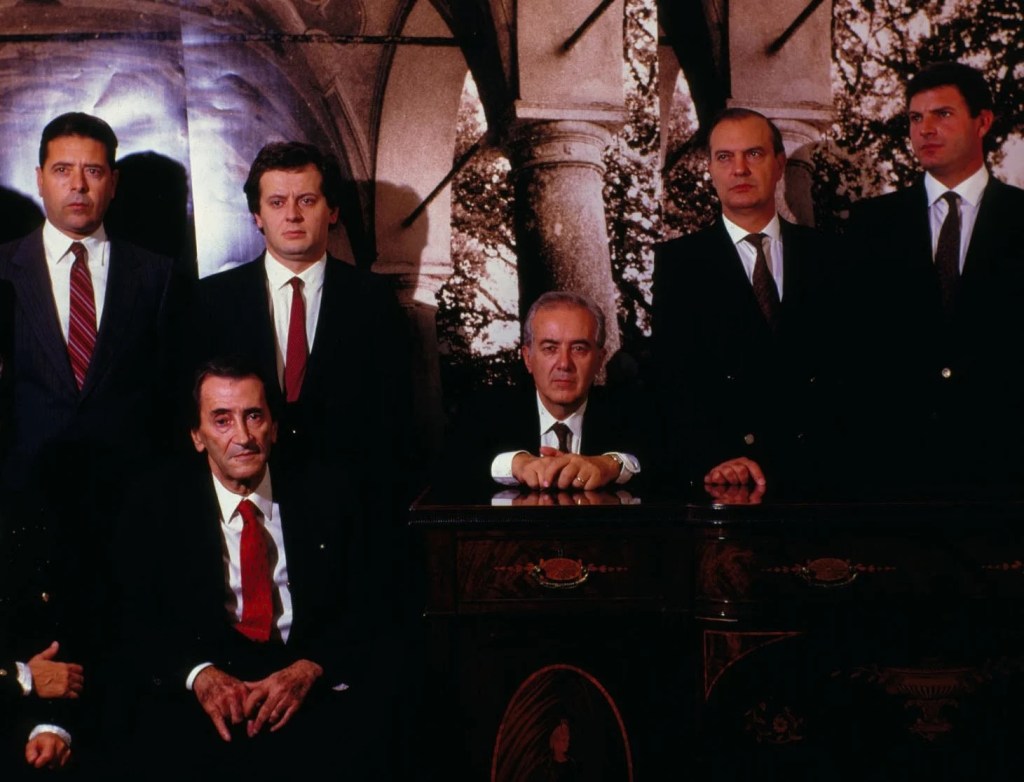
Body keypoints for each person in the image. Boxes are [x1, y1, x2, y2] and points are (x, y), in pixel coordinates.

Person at [115, 358, 388, 779]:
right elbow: (134, 623)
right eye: (222, 421)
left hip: (307, 693)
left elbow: (372, 607)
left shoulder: (330, 495)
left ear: (274, 428)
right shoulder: (156, 507)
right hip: (207, 705)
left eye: (254, 416)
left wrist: (311, 667)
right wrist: (199, 676)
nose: (242, 437)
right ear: (197, 436)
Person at [845, 62, 1024, 487]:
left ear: (983, 122)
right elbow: (852, 348)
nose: (925, 129)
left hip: (1008, 470)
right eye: (915, 118)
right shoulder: (871, 225)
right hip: (894, 472)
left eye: (942, 114)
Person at [192, 141, 411, 477]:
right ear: (257, 216)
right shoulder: (210, 300)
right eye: (277, 202)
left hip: (347, 501)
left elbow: (394, 417)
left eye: (307, 201)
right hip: (248, 496)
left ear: (332, 211)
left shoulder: (373, 299)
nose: (292, 214)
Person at [653, 108, 845, 490]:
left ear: (778, 164)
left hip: (825, 482)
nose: (739, 169)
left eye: (753, 154)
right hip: (730, 483)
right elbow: (673, 382)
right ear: (710, 169)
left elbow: (853, 370)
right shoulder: (679, 264)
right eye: (725, 157)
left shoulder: (830, 255)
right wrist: (714, 459)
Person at [0, 112, 181, 495]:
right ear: (39, 178)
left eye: (94, 172)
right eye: (63, 170)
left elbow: (171, 397)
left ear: (113, 183)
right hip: (24, 498)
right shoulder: (3, 268)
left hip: (130, 497)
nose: (78, 185)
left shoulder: (156, 275)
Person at [446, 291, 643, 493]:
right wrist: (515, 464)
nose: (564, 364)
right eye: (550, 348)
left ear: (599, 360)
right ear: (528, 358)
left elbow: (660, 465)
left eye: (578, 348)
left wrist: (611, 465)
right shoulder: (484, 411)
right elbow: (451, 470)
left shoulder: (633, 413)